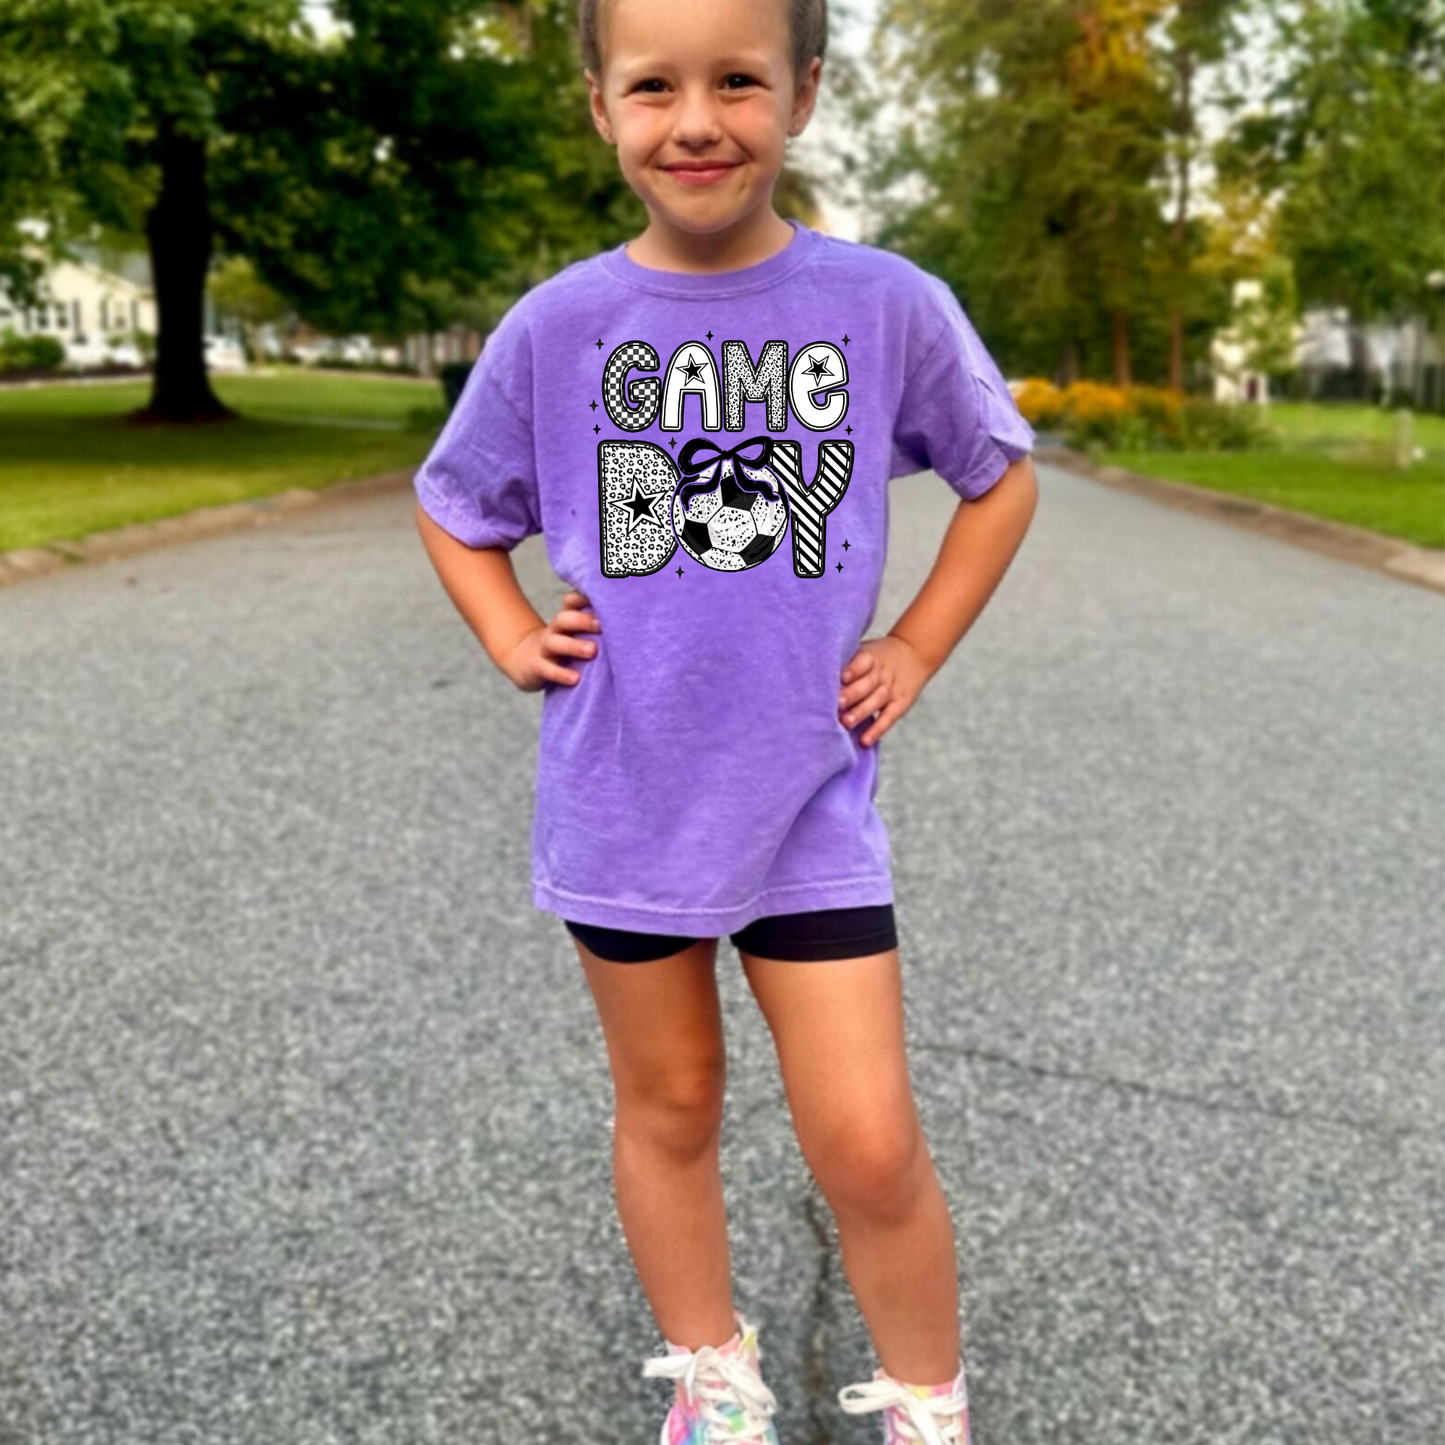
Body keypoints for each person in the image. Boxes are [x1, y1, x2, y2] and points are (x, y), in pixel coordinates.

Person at [412, 0, 1038, 1440]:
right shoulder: (560, 327)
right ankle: (714, 1377)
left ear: (803, 92)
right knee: (672, 1107)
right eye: (654, 85)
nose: (697, 118)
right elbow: (457, 510)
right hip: (624, 799)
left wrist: (920, 644)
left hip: (809, 800)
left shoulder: (884, 305)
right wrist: (512, 631)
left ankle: (928, 1404)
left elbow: (1000, 478)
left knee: (868, 1141)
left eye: (740, 79)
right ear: (601, 107)